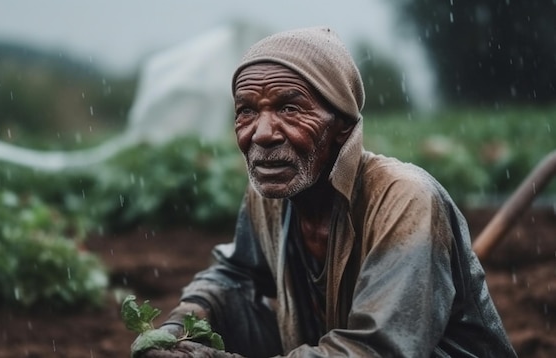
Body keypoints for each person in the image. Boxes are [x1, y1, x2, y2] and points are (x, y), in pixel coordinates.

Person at [131, 26, 517, 358]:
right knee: (222, 309)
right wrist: (180, 327)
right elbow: (233, 275)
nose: (262, 133)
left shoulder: (403, 198)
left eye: (290, 108)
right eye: (246, 111)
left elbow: (379, 349)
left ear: (342, 127)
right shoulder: (269, 196)